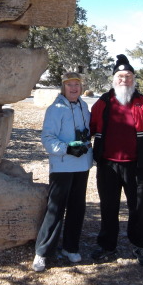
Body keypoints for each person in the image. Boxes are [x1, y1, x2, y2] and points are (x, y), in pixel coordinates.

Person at [89, 54, 143, 266]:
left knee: (139, 207)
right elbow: (89, 128)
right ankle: (107, 246)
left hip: (137, 165)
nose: (125, 80)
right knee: (108, 206)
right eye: (121, 76)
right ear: (114, 79)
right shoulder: (103, 102)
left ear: (134, 79)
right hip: (108, 165)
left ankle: (139, 245)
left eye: (129, 76)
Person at [32, 72, 93, 272]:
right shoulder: (55, 109)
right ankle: (42, 252)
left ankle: (70, 247)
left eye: (77, 84)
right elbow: (47, 138)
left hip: (82, 165)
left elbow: (86, 132)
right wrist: (67, 148)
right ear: (63, 87)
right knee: (56, 208)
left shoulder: (84, 106)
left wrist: (85, 146)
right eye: (70, 85)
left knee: (77, 208)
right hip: (62, 165)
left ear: (81, 87)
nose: (74, 88)